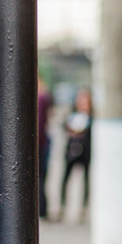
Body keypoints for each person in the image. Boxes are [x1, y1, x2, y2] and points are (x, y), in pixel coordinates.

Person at [59, 87, 92, 222]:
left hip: (85, 150)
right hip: (72, 150)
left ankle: (83, 208)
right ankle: (63, 206)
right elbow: (63, 126)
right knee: (66, 177)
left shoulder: (91, 117)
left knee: (85, 179)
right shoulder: (72, 114)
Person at [37, 77, 54, 219]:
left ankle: (42, 209)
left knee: (40, 178)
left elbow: (40, 125)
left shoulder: (41, 98)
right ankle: (42, 209)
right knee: (42, 178)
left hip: (40, 145)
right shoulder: (44, 98)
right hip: (43, 143)